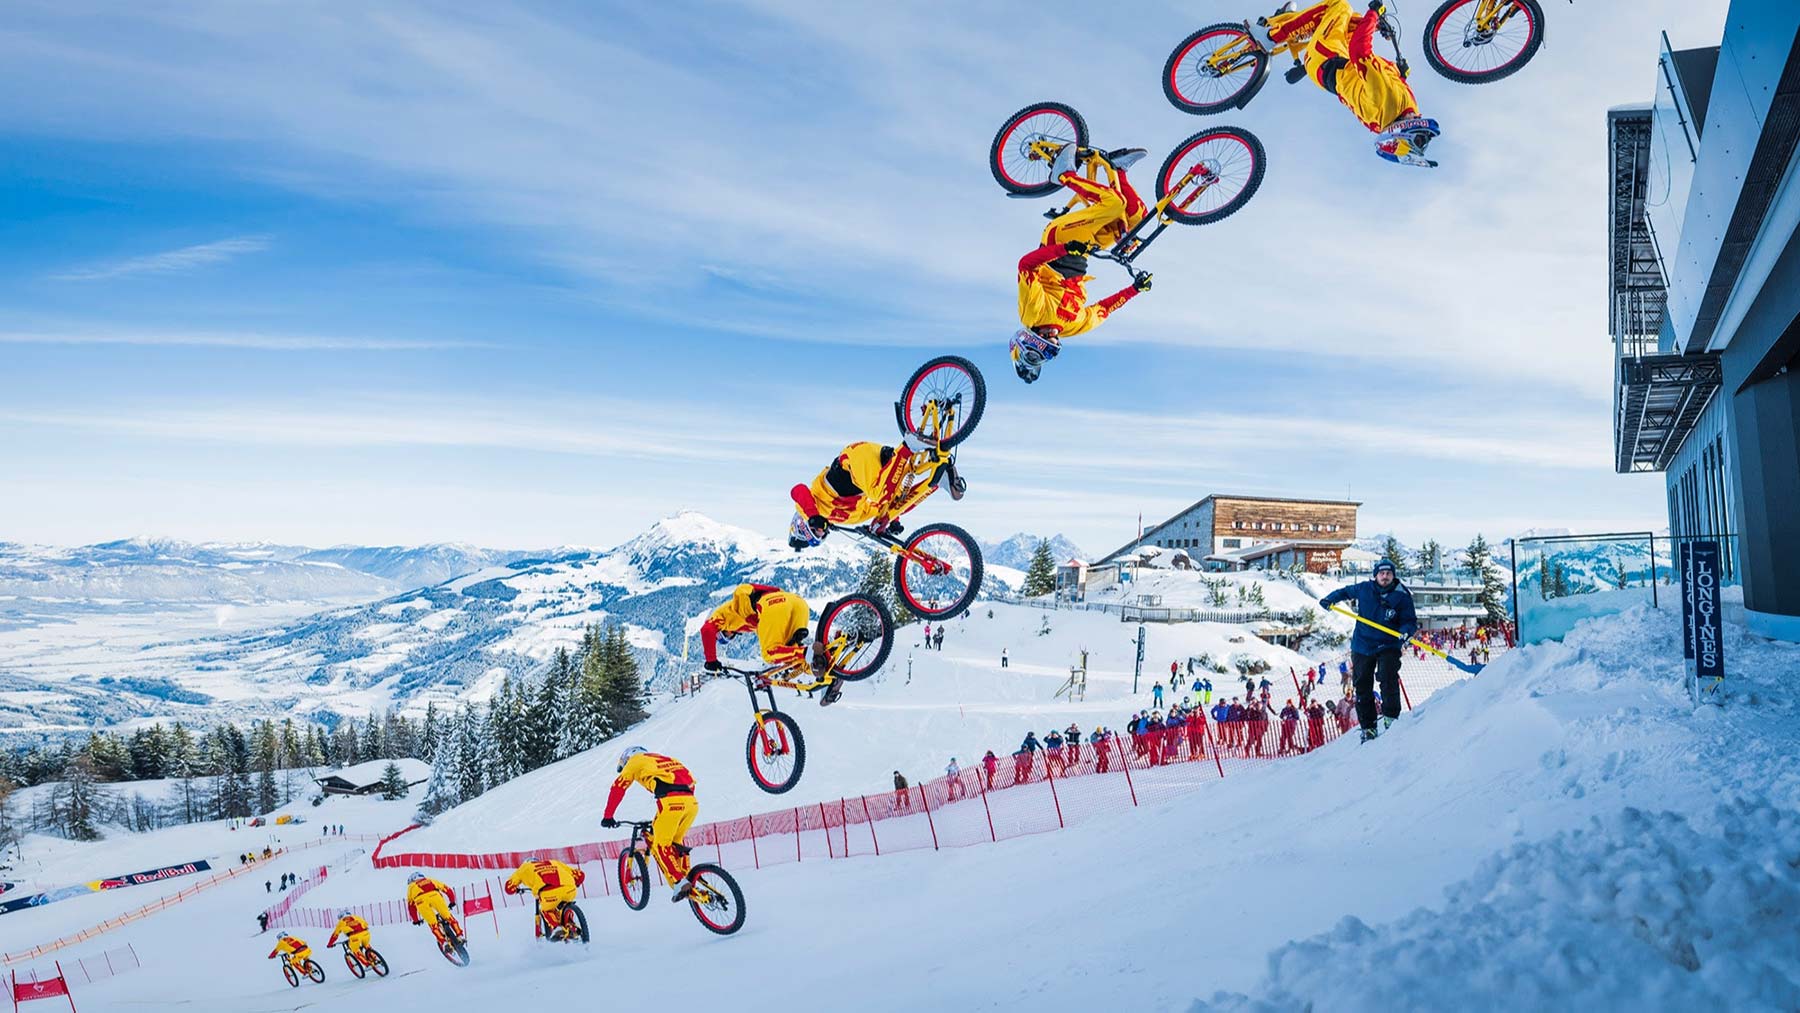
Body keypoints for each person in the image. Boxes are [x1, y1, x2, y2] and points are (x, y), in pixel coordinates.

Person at [1011, 147, 1153, 383]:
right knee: (1136, 220)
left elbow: (1025, 266)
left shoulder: (1032, 314)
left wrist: (1065, 249)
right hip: (1086, 249)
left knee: (1113, 204)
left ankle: (1063, 174)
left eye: (1037, 356)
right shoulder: (1073, 326)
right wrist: (1135, 289)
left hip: (1059, 240)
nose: (1045, 354)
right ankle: (1118, 169)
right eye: (1043, 359)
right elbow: (1104, 310)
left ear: (1029, 344)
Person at [1263, 1, 1439, 166]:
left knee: (1339, 6)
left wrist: (1374, 13)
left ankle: (1271, 36)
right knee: (1350, 19)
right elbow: (1389, 80)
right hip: (1335, 64)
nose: (1424, 134)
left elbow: (1360, 52)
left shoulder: (1387, 102)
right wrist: (1400, 73)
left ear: (1400, 133)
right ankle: (1287, 20)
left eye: (1419, 139)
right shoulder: (1403, 110)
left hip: (1325, 57)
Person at [787, 437, 963, 549]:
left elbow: (798, 490)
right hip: (878, 474)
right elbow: (879, 508)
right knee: (898, 506)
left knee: (880, 493)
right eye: (821, 536)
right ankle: (938, 481)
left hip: (854, 462)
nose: (821, 531)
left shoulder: (807, 508)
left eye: (816, 532)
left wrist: (812, 515)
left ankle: (909, 446)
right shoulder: (850, 518)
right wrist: (892, 518)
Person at [1321, 559, 1417, 741]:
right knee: (1362, 684)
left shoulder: (1402, 595)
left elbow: (1409, 621)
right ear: (1376, 575)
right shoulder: (1365, 588)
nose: (1385, 576)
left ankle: (1391, 717)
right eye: (1382, 573)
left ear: (1393, 575)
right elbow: (1345, 592)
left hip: (1389, 643)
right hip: (1363, 644)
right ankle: (1368, 727)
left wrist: (1405, 632)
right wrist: (1330, 599)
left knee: (1387, 676)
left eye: (1389, 573)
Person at [700, 582, 837, 703]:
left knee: (770, 653)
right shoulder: (745, 622)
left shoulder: (722, 616)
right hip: (798, 603)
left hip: (774, 605)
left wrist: (711, 660)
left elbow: (706, 630)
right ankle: (833, 667)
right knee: (795, 659)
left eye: (724, 637)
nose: (729, 637)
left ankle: (807, 651)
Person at [601, 746, 700, 901]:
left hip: (670, 803)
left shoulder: (635, 760)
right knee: (674, 843)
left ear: (627, 758)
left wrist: (608, 816)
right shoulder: (666, 759)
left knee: (660, 846)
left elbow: (618, 787)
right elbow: (690, 781)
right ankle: (687, 875)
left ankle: (680, 883)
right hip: (692, 803)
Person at [504, 856, 586, 937]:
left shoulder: (524, 867)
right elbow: (580, 875)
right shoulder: (553, 862)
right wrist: (577, 882)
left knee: (546, 910)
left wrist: (515, 890)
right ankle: (569, 923)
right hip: (570, 889)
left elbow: (509, 888)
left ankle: (556, 927)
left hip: (549, 893)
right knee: (564, 902)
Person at [405, 871, 462, 941]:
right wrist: (452, 901)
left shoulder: (411, 887)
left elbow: (411, 906)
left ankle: (444, 942)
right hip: (435, 896)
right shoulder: (430, 880)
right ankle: (459, 935)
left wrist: (416, 920)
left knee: (433, 924)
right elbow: (447, 889)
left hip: (420, 901)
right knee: (448, 916)